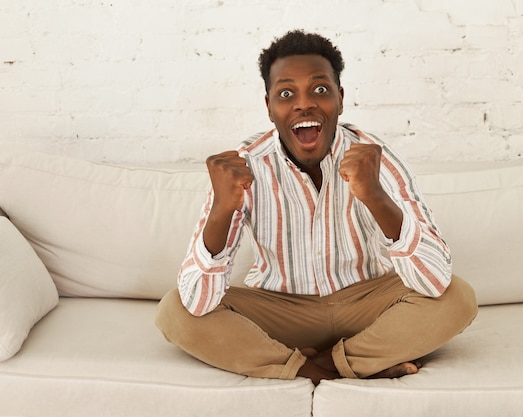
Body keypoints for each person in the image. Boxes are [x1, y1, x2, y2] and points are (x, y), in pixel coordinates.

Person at [156, 29, 477, 386]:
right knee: (174, 312)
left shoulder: (376, 157)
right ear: (269, 107)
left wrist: (375, 196)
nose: (303, 104)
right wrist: (221, 210)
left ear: (340, 99)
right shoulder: (246, 165)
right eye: (286, 93)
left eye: (320, 90)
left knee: (459, 299)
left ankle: (307, 366)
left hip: (366, 303)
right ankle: (346, 366)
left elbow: (435, 281)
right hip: (281, 309)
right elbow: (197, 302)